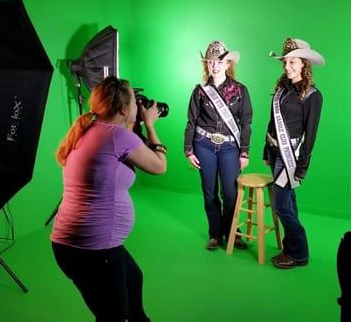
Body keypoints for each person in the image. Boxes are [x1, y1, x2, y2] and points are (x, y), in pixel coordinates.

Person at [51, 76, 166, 322]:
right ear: (124, 109)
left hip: (76, 244)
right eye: (135, 101)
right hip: (92, 249)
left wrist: (135, 123)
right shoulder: (117, 137)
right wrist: (150, 125)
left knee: (134, 279)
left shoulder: (89, 128)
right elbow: (159, 166)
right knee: (113, 317)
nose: (139, 106)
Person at [183, 40, 253, 250]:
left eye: (219, 62)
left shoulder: (241, 90)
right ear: (207, 64)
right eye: (211, 62)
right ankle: (215, 234)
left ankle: (233, 232)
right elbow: (191, 121)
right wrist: (188, 149)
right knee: (210, 192)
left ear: (228, 64)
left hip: (230, 148)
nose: (214, 65)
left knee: (230, 194)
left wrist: (245, 152)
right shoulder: (199, 91)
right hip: (203, 144)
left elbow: (246, 122)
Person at [264, 37, 325, 269]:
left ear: (304, 64)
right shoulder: (282, 88)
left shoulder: (312, 95)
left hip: (291, 157)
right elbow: (272, 121)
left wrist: (303, 165)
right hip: (275, 151)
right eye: (285, 62)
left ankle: (299, 253)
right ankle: (292, 249)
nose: (287, 67)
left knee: (281, 206)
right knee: (289, 203)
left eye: (293, 62)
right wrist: (265, 147)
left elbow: (311, 135)